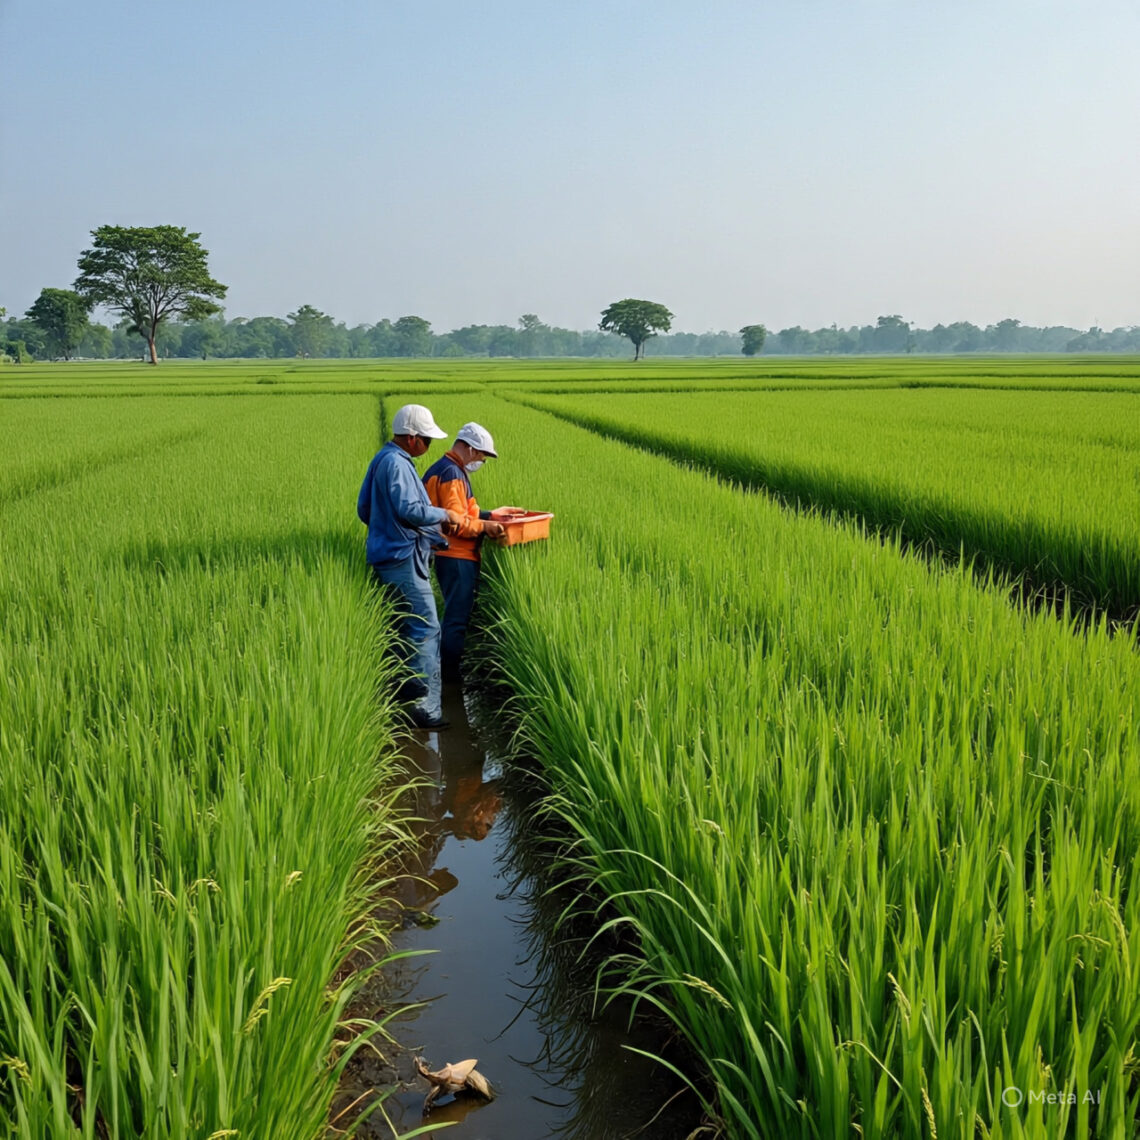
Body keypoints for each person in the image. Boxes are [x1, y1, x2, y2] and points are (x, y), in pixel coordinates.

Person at [357, 404, 463, 730]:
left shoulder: (382, 460)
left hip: (388, 553)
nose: (429, 446)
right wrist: (445, 516)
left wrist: (388, 528)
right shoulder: (397, 464)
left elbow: (365, 509)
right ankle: (419, 704)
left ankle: (406, 694)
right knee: (427, 626)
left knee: (406, 627)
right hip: (402, 558)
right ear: (412, 438)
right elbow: (411, 509)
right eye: (427, 439)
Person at [422, 422, 518, 682]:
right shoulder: (452, 474)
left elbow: (463, 513)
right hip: (456, 556)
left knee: (454, 616)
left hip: (448, 555)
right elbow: (455, 523)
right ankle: (449, 679)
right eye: (480, 455)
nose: (480, 461)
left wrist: (491, 514)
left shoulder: (443, 469)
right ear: (468, 448)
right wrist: (486, 526)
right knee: (456, 620)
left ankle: (444, 671)